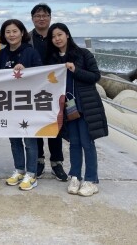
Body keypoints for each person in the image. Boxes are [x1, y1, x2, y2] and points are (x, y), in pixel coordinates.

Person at [46, 23, 108, 197]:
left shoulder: (83, 54)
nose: (57, 39)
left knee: (87, 142)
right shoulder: (52, 59)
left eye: (60, 34)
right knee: (73, 142)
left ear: (67, 35)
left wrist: (76, 70)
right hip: (67, 107)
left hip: (85, 104)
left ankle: (91, 180)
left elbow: (95, 76)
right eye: (53, 36)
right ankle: (75, 176)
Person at [0, 19, 42, 191]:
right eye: (8, 32)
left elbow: (42, 75)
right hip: (8, 103)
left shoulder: (31, 52)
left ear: (22, 33)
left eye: (15, 31)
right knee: (14, 140)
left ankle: (32, 174)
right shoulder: (2, 54)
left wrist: (27, 71)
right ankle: (19, 170)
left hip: (28, 104)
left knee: (30, 140)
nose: (11, 35)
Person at [29, 3, 67, 180]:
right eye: (37, 16)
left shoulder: (56, 37)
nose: (41, 18)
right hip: (34, 89)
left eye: (44, 15)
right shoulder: (27, 38)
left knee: (55, 125)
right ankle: (39, 160)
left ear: (50, 17)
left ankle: (57, 162)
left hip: (55, 88)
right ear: (32, 19)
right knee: (36, 124)